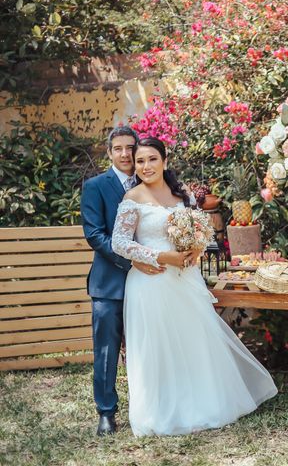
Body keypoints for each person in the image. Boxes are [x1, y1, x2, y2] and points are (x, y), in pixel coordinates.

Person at [111, 136, 277, 436]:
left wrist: (196, 250)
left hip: (185, 278)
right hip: (151, 281)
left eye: (151, 159)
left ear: (164, 160)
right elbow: (119, 242)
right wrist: (162, 256)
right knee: (160, 346)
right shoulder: (132, 197)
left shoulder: (182, 193)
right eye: (140, 161)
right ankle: (164, 412)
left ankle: (204, 404)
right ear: (134, 167)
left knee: (192, 340)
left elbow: (204, 232)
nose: (146, 166)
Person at [80, 126, 166, 436]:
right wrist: (132, 261)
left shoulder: (153, 181)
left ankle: (153, 405)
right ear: (109, 152)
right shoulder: (96, 186)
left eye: (131, 148)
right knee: (106, 351)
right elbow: (94, 234)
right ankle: (106, 412)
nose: (126, 154)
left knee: (152, 347)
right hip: (110, 285)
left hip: (152, 283)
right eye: (119, 148)